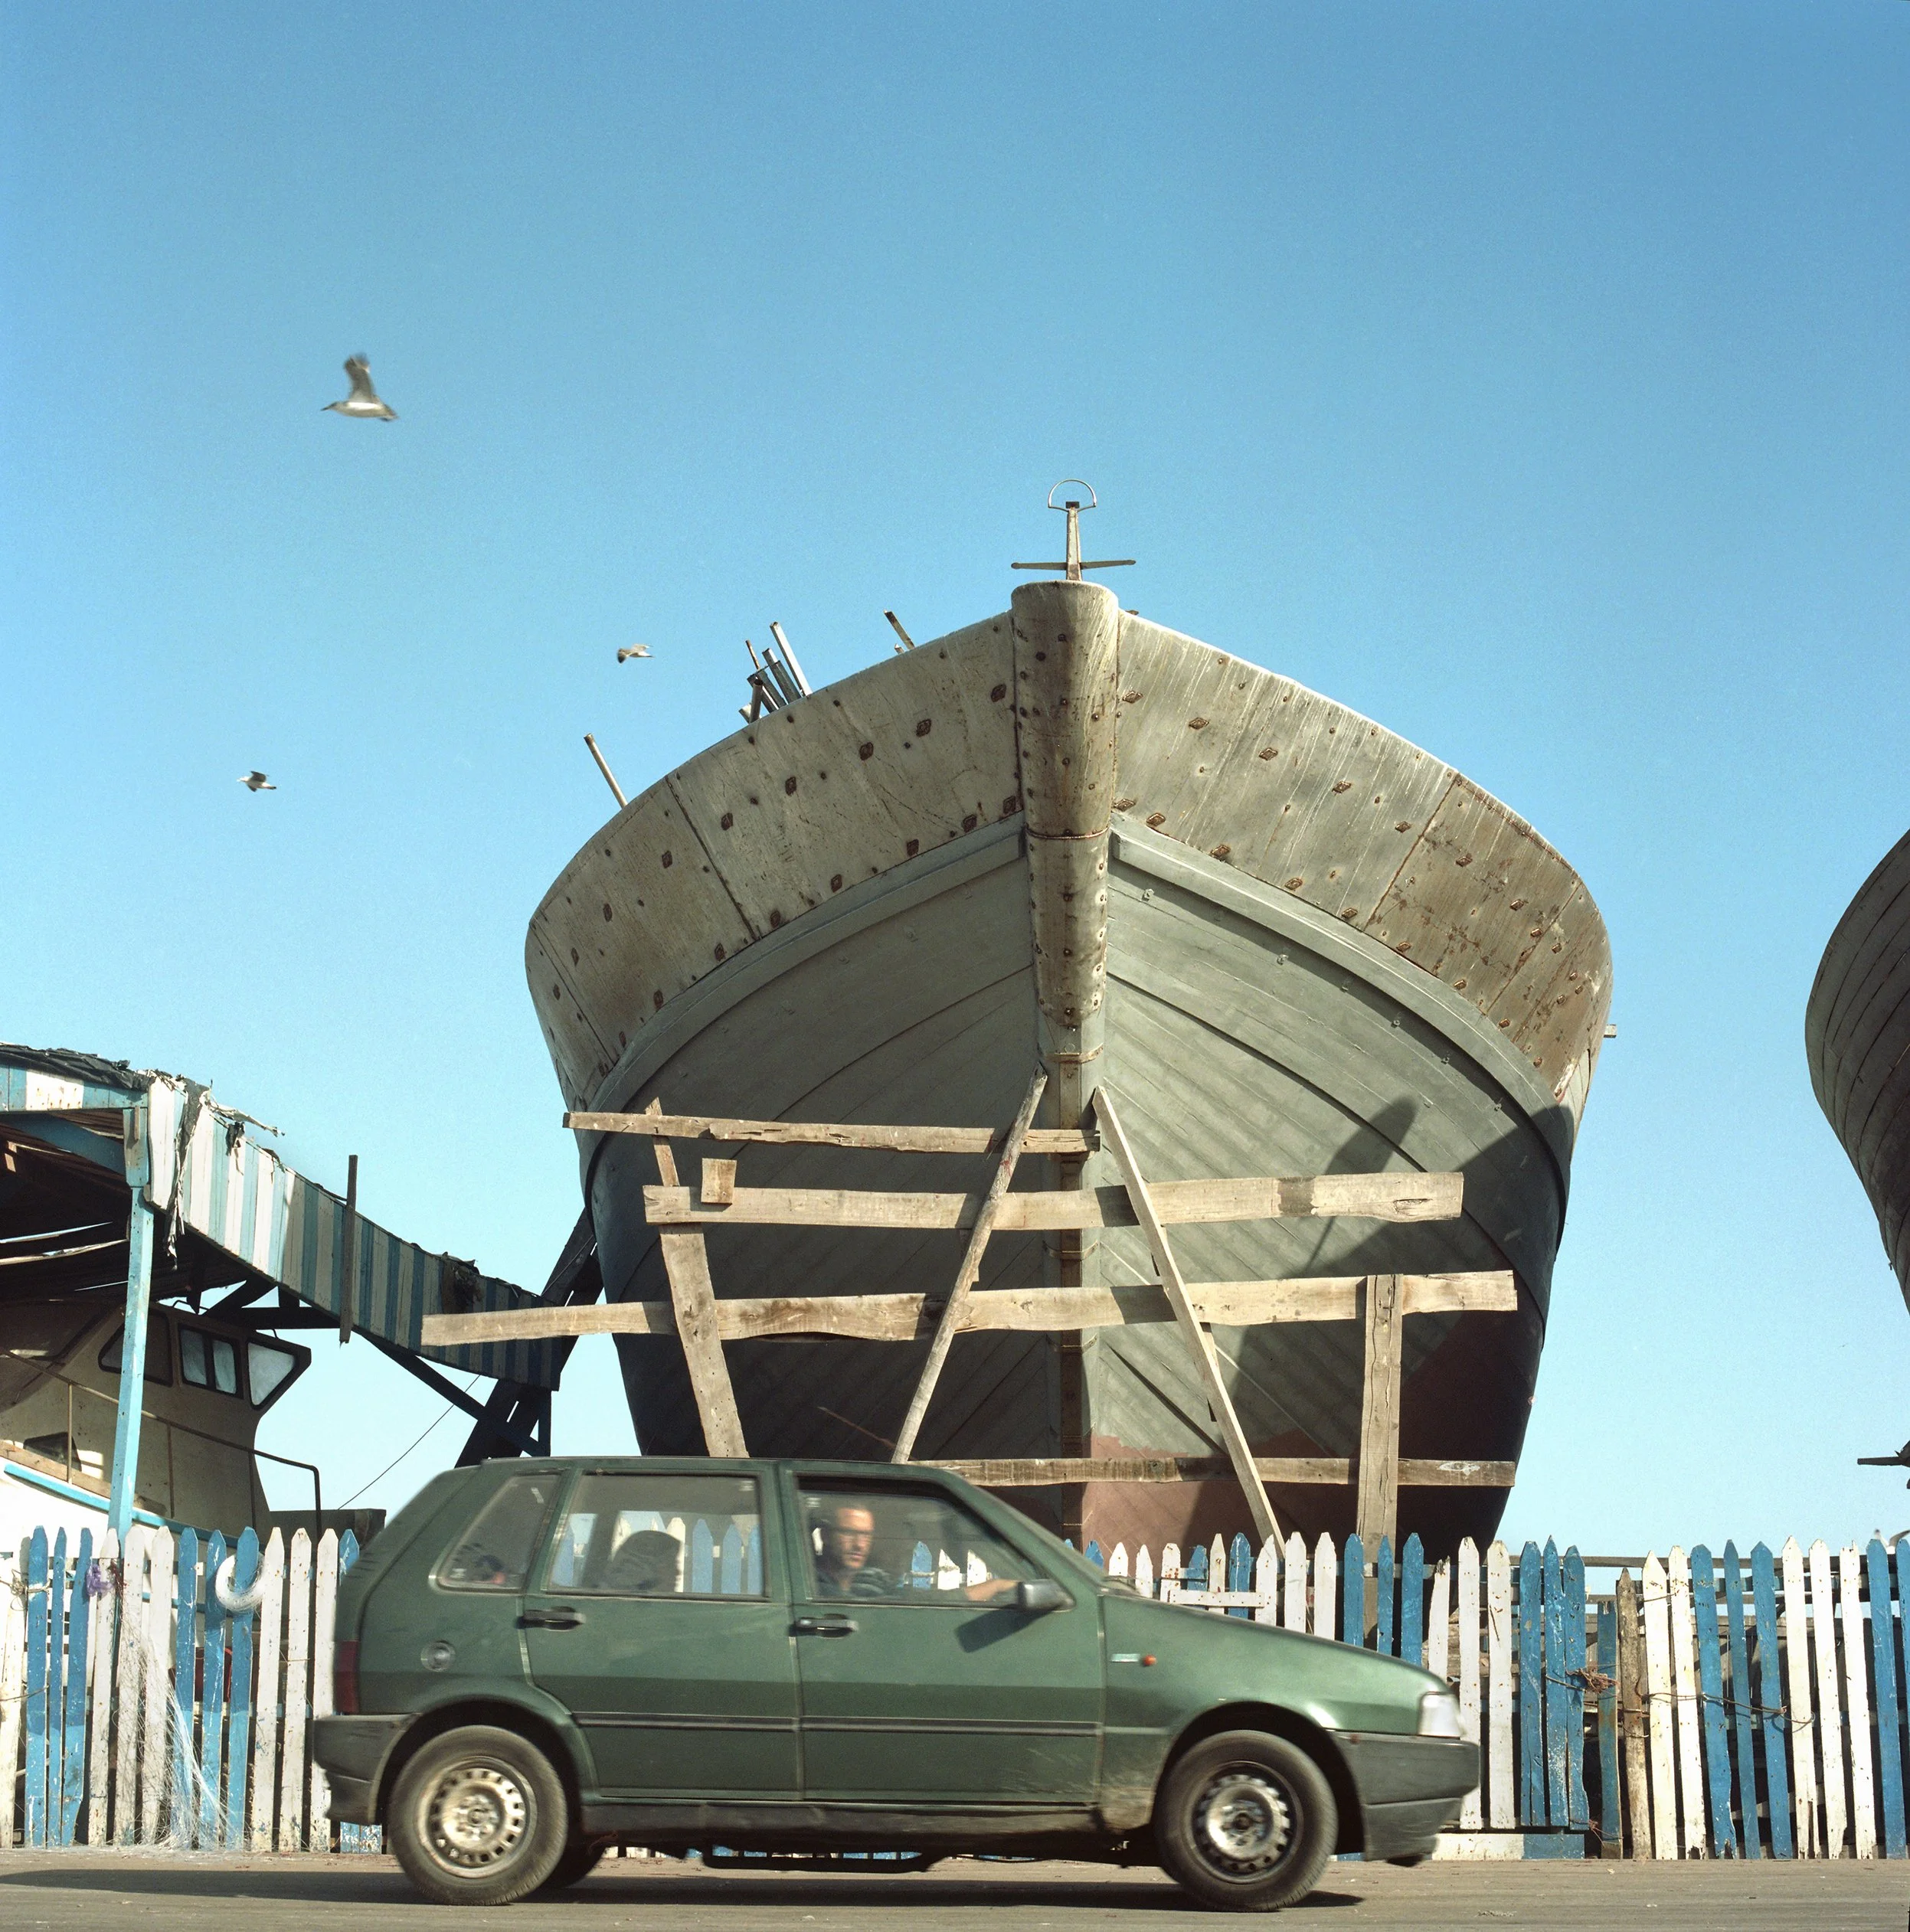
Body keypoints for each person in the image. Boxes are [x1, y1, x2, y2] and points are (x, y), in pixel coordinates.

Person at [812, 1501, 896, 1597]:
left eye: (866, 1535)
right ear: (825, 1535)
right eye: (848, 1533)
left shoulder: (878, 1581)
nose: (859, 1545)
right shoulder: (809, 1583)